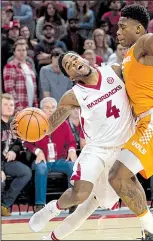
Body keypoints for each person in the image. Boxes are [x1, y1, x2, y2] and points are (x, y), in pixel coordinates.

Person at [14, 51, 135, 239]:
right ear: (71, 76)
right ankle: (52, 209)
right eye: (69, 65)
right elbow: (47, 127)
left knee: (92, 204)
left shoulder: (115, 71)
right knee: (80, 194)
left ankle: (53, 238)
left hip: (120, 150)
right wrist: (25, 132)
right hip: (96, 148)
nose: (74, 62)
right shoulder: (73, 96)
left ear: (84, 59)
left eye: (74, 58)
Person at [108, 2, 153, 240]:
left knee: (117, 175)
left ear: (139, 29)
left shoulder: (143, 46)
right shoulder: (128, 58)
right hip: (146, 123)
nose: (117, 31)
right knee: (119, 176)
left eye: (122, 26)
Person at [24, 97, 76, 212]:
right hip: (43, 161)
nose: (50, 110)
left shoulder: (63, 123)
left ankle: (73, 202)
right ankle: (40, 204)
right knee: (41, 169)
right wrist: (37, 151)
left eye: (53, 107)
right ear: (41, 110)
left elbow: (72, 142)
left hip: (59, 160)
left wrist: (72, 150)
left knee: (73, 167)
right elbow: (26, 142)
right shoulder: (35, 124)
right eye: (47, 108)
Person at [1, 93, 32, 216]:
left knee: (25, 172)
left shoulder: (15, 123)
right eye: (5, 104)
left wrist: (13, 150)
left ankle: (5, 204)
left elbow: (19, 142)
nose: (9, 107)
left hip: (7, 162)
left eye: (11, 105)